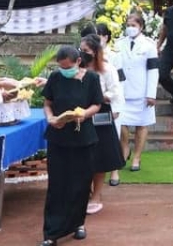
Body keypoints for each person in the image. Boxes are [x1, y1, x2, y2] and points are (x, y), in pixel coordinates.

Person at [39, 44, 103, 246]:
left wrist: (84, 114)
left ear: (78, 61)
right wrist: (50, 118)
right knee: (57, 184)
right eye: (61, 67)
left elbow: (97, 104)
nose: (64, 70)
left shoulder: (91, 78)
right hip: (58, 138)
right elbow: (47, 103)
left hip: (83, 138)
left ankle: (78, 224)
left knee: (81, 183)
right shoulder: (55, 77)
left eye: (68, 67)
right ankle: (51, 232)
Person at [79, 34, 125, 213]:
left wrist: (99, 96)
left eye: (86, 50)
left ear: (95, 51)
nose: (82, 53)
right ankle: (84, 193)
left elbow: (115, 92)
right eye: (81, 50)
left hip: (101, 115)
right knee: (83, 156)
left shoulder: (107, 69)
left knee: (100, 156)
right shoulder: (78, 68)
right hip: (81, 114)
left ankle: (96, 195)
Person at [113, 11, 159, 170]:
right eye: (128, 25)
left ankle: (137, 157)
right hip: (123, 91)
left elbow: (153, 70)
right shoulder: (119, 44)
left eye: (133, 25)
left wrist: (151, 94)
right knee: (121, 123)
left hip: (142, 91)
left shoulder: (149, 45)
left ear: (141, 27)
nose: (130, 28)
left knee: (142, 124)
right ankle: (125, 148)